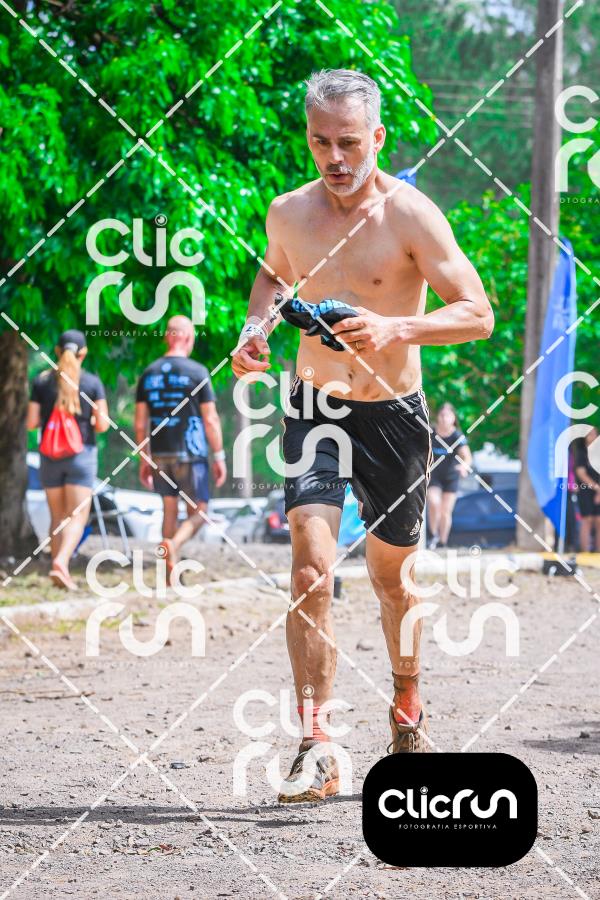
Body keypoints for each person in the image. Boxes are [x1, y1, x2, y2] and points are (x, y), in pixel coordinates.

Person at [232, 68, 493, 802]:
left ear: (377, 136)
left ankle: (407, 700)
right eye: (321, 142)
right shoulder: (288, 212)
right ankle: (315, 744)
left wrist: (395, 327)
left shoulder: (412, 216)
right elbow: (271, 278)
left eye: (349, 142)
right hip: (314, 406)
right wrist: (254, 329)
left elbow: (478, 313)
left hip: (394, 416)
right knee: (310, 571)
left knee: (391, 581)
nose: (335, 157)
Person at [134, 315, 227, 577]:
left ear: (167, 336)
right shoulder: (197, 372)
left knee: (169, 510)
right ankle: (173, 545)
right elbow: (210, 419)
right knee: (200, 512)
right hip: (191, 452)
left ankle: (169, 574)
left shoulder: (149, 373)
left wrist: (144, 458)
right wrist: (219, 455)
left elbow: (140, 424)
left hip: (159, 453)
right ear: (186, 337)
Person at [27, 330, 109, 590]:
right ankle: (61, 562)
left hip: (50, 455)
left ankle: (56, 567)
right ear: (83, 353)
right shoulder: (92, 382)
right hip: (80, 455)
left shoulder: (41, 382)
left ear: (57, 351)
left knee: (57, 516)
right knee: (77, 516)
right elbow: (102, 425)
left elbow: (31, 422)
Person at [427, 403, 472, 549]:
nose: (444, 418)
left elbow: (467, 457)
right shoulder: (431, 432)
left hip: (451, 477)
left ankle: (443, 542)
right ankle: (433, 535)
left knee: (446, 512)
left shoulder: (457, 436)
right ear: (438, 417)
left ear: (453, 418)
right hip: (434, 476)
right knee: (434, 503)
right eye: (442, 415)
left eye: (448, 415)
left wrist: (464, 466)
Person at [573, 428, 600, 552]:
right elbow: (581, 473)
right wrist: (596, 488)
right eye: (589, 435)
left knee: (599, 520)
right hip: (585, 491)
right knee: (587, 520)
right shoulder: (581, 453)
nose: (592, 437)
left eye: (594, 434)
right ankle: (585, 552)